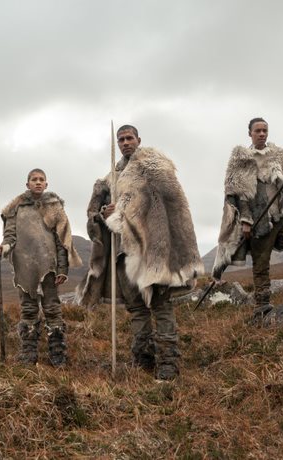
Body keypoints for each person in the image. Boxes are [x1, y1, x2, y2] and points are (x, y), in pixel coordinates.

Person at [77, 125, 203, 380]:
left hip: (152, 250)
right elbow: (94, 216)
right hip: (124, 253)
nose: (125, 143)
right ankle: (143, 359)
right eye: (121, 139)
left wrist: (123, 209)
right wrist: (103, 214)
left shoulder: (154, 168)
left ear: (138, 140)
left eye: (129, 138)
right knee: (136, 308)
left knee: (160, 304)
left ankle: (168, 363)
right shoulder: (109, 179)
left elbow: (169, 205)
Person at [212, 118, 283, 319]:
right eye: (257, 131)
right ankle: (262, 304)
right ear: (249, 133)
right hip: (259, 218)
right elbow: (237, 193)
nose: (262, 134)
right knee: (261, 262)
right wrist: (245, 220)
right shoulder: (241, 159)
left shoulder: (280, 155)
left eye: (265, 130)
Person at [0, 168, 81, 366]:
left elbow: (61, 241)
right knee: (28, 309)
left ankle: (58, 352)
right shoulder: (16, 208)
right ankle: (28, 353)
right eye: (34, 179)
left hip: (48, 268)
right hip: (24, 267)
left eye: (41, 180)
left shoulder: (54, 207)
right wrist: (3, 248)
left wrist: (63, 269)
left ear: (46, 184)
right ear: (28, 184)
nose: (38, 182)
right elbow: (10, 237)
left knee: (52, 309)